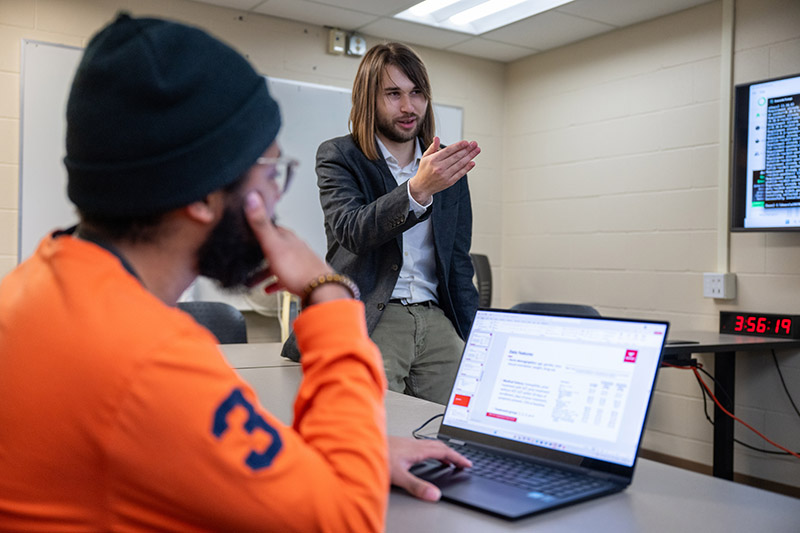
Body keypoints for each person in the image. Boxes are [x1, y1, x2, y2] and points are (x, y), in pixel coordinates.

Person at [0, 14, 468, 531]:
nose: (277, 196)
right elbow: (344, 520)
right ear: (204, 196)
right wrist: (329, 296)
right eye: (269, 171)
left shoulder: (33, 288)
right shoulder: (151, 365)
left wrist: (345, 452)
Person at [281, 42, 481, 405]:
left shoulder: (445, 166)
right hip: (375, 315)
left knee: (451, 429)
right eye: (393, 94)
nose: (408, 107)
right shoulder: (339, 155)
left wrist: (477, 339)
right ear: (368, 99)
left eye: (416, 93)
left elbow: (457, 260)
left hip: (437, 319)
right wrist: (416, 190)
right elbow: (351, 231)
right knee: (376, 434)